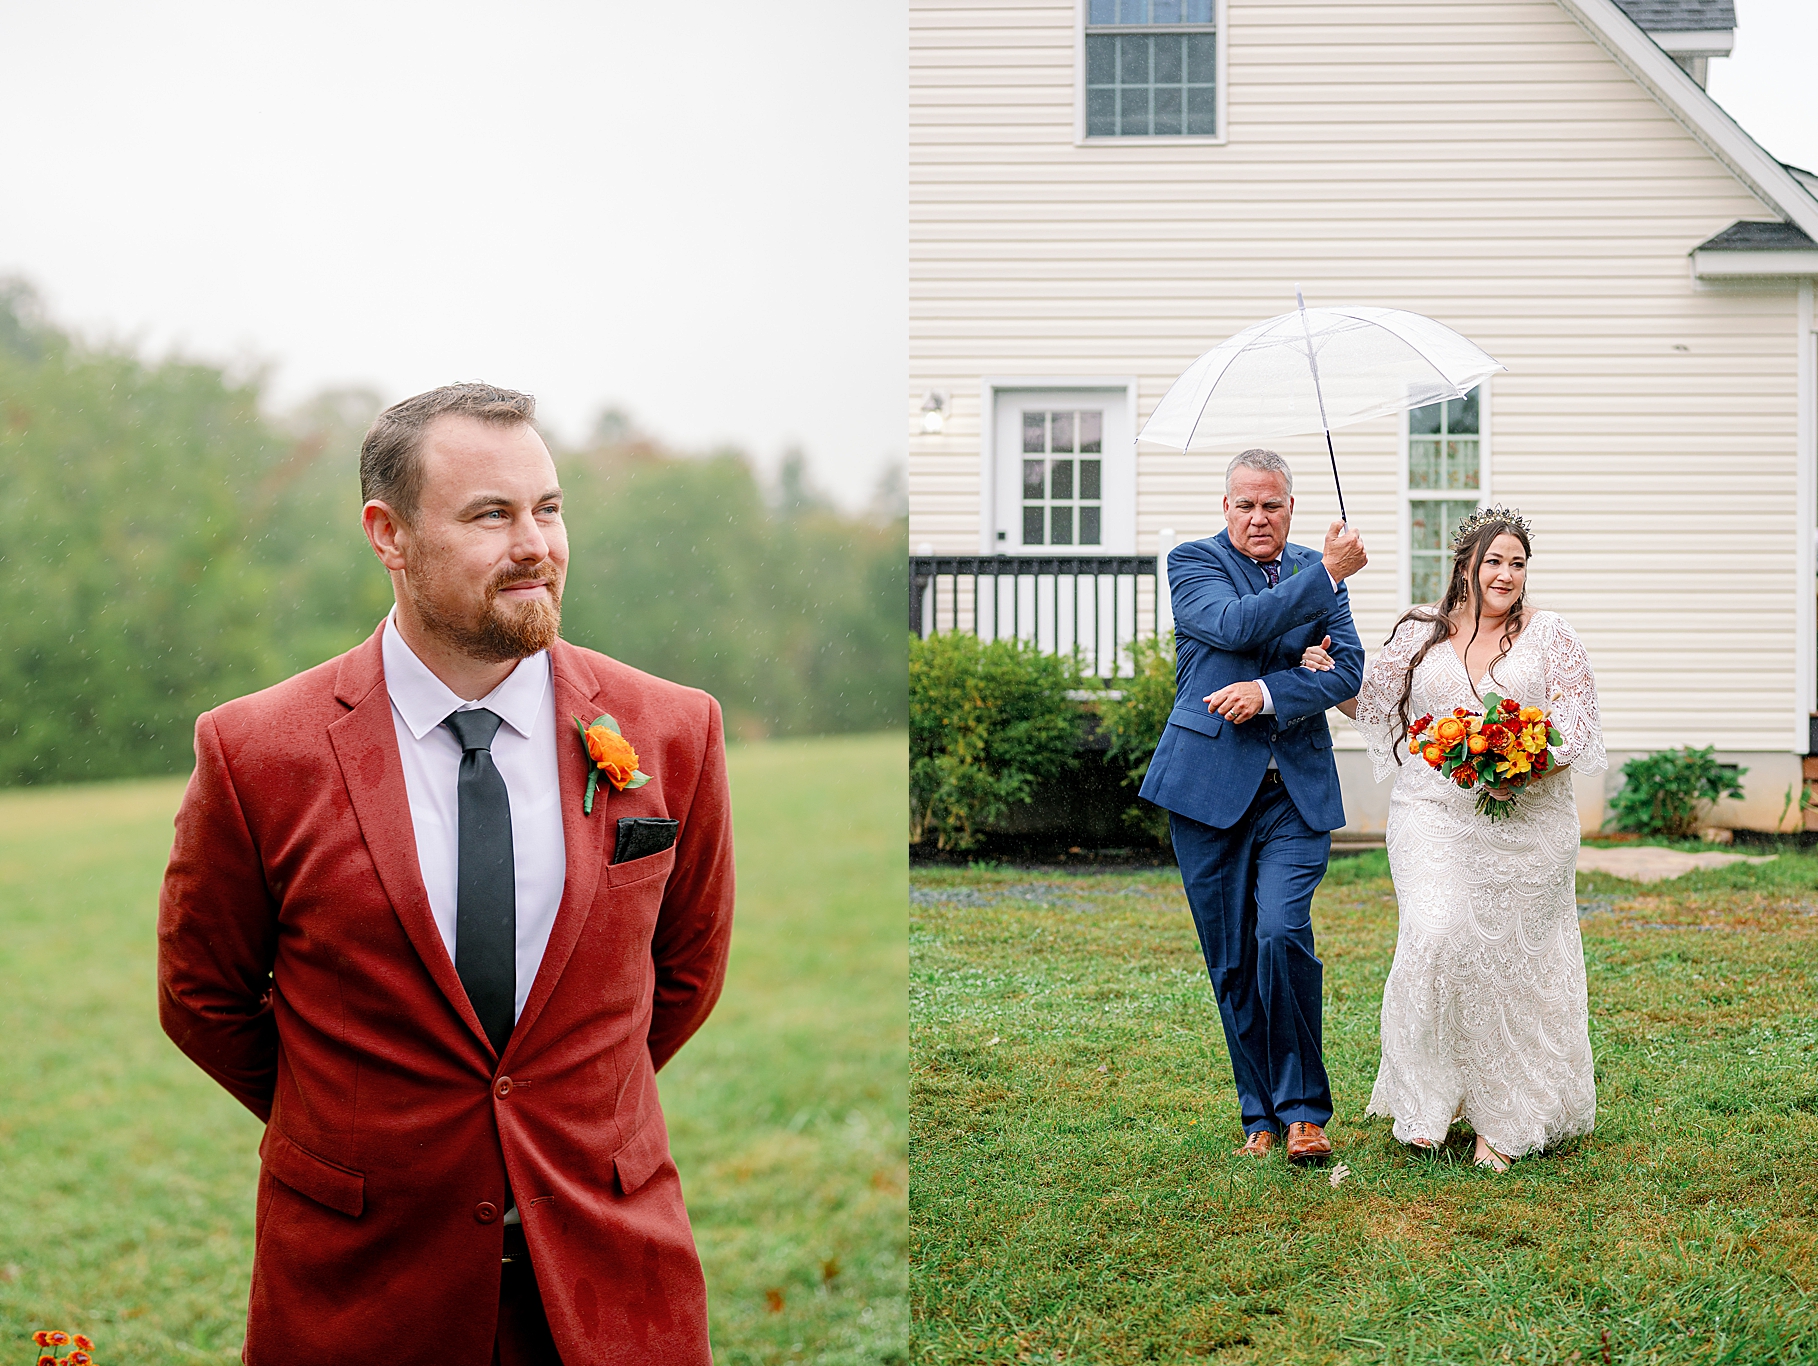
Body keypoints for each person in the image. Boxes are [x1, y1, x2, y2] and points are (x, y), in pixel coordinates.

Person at [157, 383, 735, 1365]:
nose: (537, 545)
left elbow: (684, 972)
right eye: (491, 515)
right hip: (361, 1287)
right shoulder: (257, 752)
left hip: (609, 1275)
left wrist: (570, 1106)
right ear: (388, 534)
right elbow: (202, 997)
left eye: (549, 508)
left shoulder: (674, 731)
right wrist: (356, 1121)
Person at [1306, 506, 1603, 1171]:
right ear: (1465, 565)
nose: (1506, 574)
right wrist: (1328, 674)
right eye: (1494, 561)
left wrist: (1524, 765)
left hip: (1531, 823)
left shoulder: (1552, 635)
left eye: (1518, 563)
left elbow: (1576, 731)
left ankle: (1506, 1118)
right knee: (1437, 934)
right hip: (1433, 812)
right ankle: (1429, 1100)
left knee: (1515, 964)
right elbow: (1374, 705)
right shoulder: (1420, 630)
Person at [1138, 448, 1367, 1165]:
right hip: (1206, 791)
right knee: (1232, 960)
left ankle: (1304, 1114)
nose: (1258, 517)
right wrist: (1320, 589)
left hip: (1293, 794)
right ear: (1226, 508)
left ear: (1292, 507)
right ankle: (1258, 1113)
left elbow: (1350, 671)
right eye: (1245, 505)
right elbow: (1235, 626)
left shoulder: (1316, 566)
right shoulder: (1192, 563)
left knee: (1280, 934)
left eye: (1271, 504)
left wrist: (1270, 692)